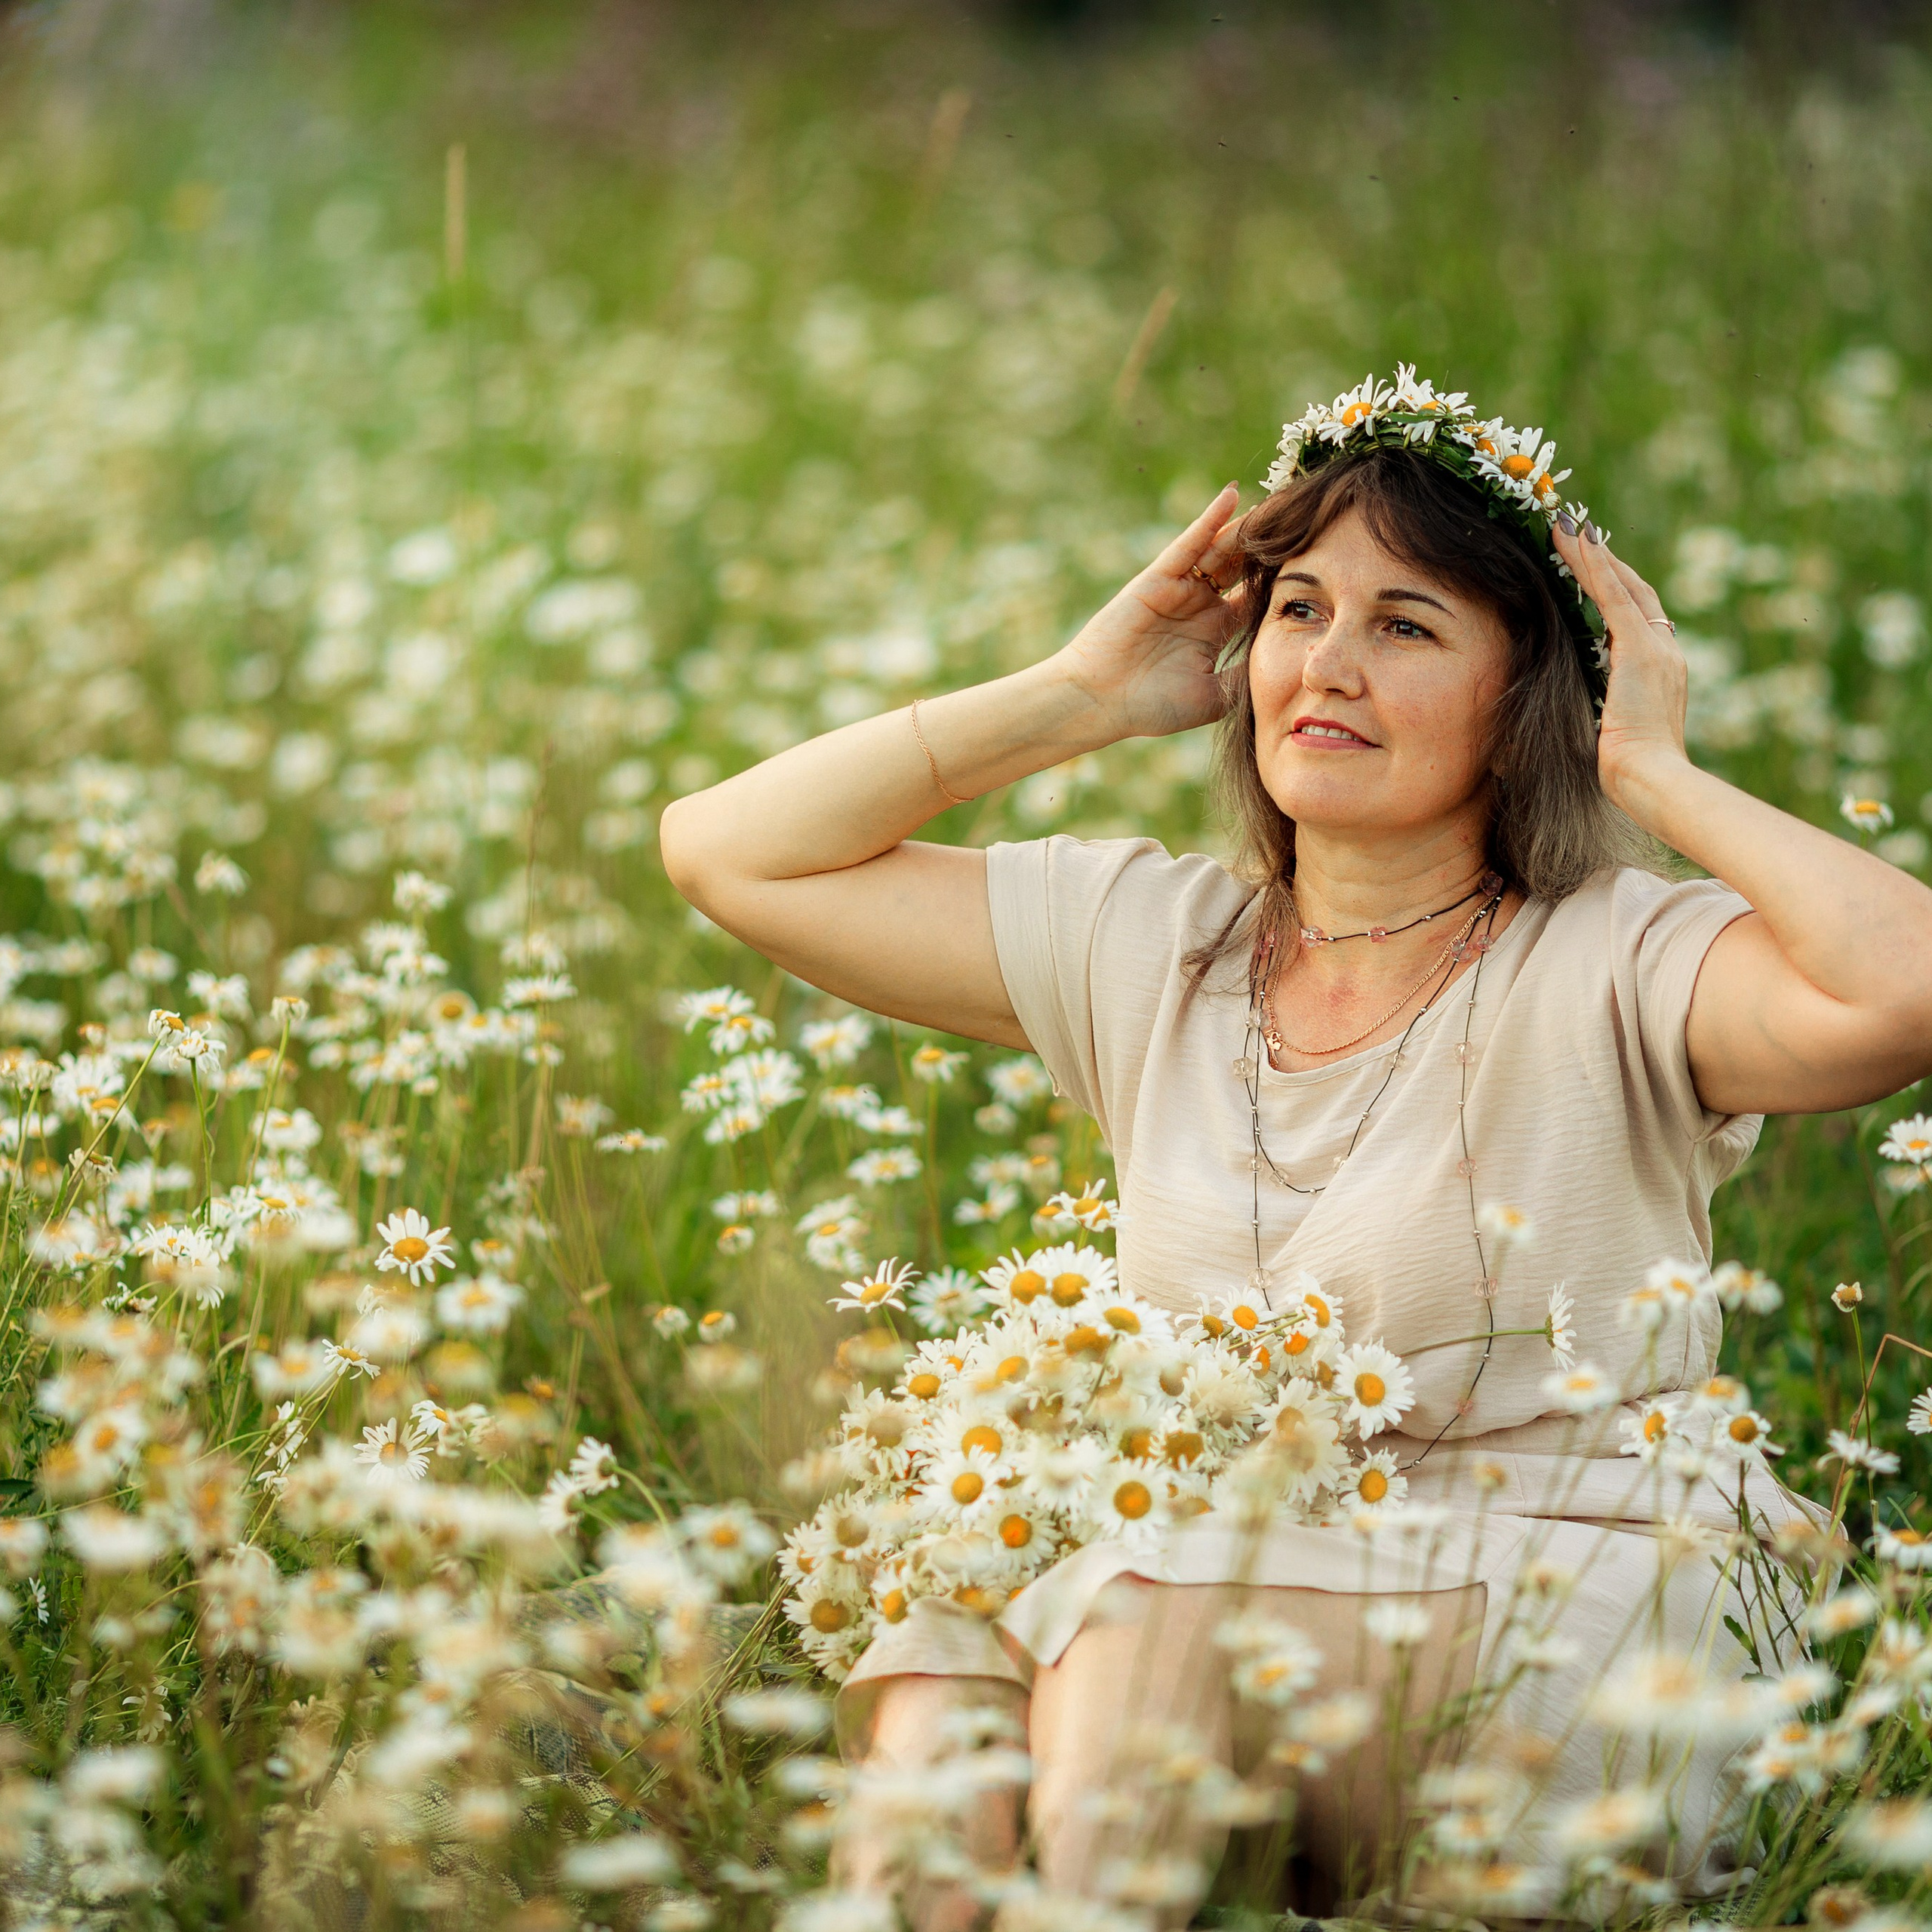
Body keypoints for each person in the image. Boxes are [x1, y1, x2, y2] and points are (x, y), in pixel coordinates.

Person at [659, 370, 1932, 1927]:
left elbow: (1904, 984)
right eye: (1295, 609)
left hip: (1576, 1605)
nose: (1325, 663)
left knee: (1129, 1606)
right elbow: (726, 848)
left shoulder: (1614, 956)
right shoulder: (1162, 942)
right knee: (948, 1658)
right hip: (1224, 1587)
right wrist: (1078, 691)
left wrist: (1652, 773)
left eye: (1403, 624)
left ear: (1523, 695)